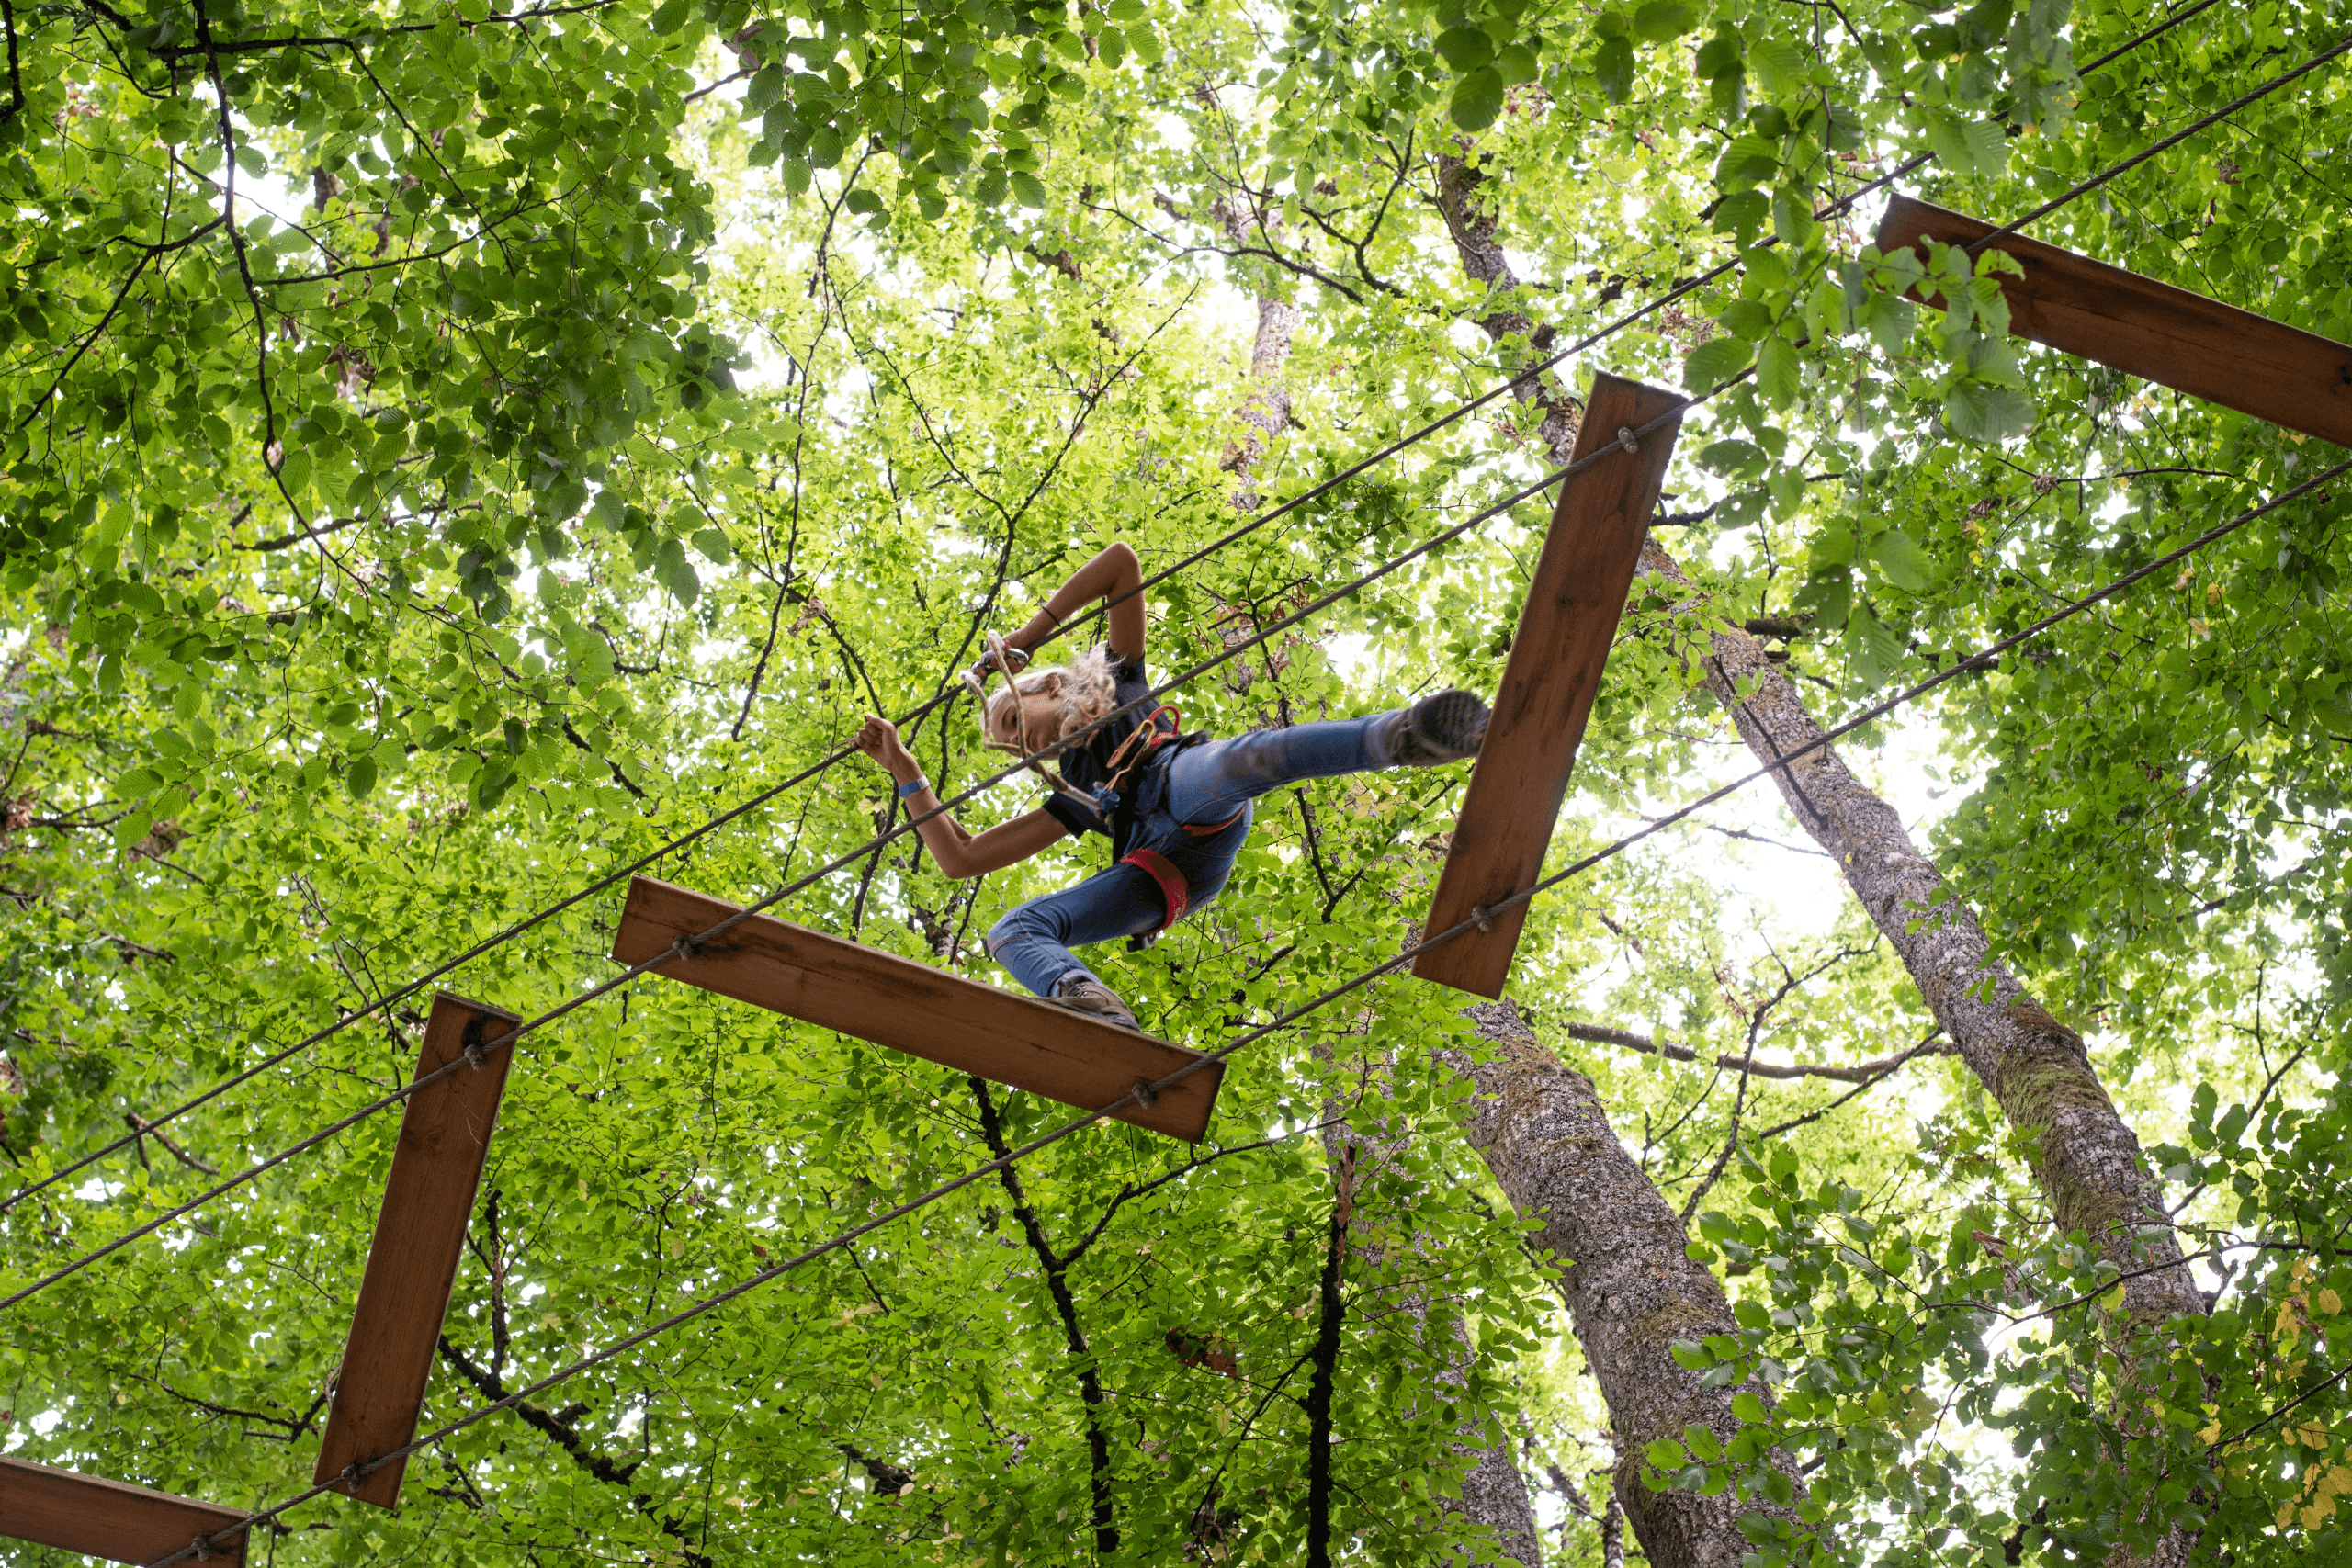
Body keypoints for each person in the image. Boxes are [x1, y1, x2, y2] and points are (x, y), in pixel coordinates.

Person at [852, 541, 1489, 1032]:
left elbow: (1121, 565)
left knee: (1242, 761)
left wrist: (1024, 638)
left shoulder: (1121, 680)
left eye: (1015, 720)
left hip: (1187, 789)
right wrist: (907, 771)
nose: (1019, 744)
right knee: (1010, 931)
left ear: (1047, 687)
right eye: (1010, 742)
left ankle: (1402, 737)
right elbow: (961, 858)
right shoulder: (1071, 795)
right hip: (1159, 871)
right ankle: (1085, 999)